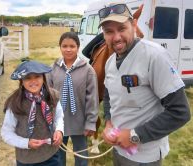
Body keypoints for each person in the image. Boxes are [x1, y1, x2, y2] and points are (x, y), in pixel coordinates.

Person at [99, 3, 191, 166]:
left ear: (134, 25)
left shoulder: (154, 56)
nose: (116, 37)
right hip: (118, 150)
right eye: (109, 32)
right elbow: (108, 96)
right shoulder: (110, 62)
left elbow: (180, 112)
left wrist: (135, 135)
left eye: (121, 28)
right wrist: (108, 123)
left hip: (145, 156)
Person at [47, 32, 99, 166]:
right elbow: (48, 96)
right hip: (58, 122)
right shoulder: (53, 68)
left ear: (78, 47)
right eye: (64, 46)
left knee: (81, 156)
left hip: (79, 121)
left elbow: (92, 99)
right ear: (60, 47)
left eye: (72, 46)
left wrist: (91, 122)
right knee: (58, 155)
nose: (68, 49)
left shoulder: (88, 70)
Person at [1, 60, 64, 166]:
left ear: (43, 78)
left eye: (37, 77)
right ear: (21, 81)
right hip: (27, 160)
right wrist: (26, 143)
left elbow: (58, 116)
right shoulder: (15, 103)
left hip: (52, 155)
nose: (33, 81)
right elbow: (6, 133)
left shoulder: (53, 96)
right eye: (28, 78)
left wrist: (59, 130)